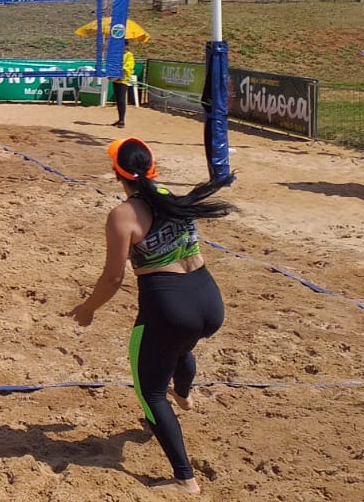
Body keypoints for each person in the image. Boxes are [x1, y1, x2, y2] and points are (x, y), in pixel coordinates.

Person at [67, 138, 235, 495]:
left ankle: (184, 479)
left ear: (117, 174)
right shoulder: (169, 196)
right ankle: (186, 395)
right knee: (178, 349)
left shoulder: (123, 215)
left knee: (150, 393)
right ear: (152, 167)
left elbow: (113, 278)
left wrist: (87, 309)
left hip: (170, 308)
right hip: (208, 299)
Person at [113, 39, 136, 128]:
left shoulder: (129, 55)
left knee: (122, 100)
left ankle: (122, 120)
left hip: (123, 79)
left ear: (126, 46)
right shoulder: (118, 55)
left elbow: (128, 67)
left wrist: (121, 69)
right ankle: (119, 118)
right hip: (116, 79)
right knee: (118, 100)